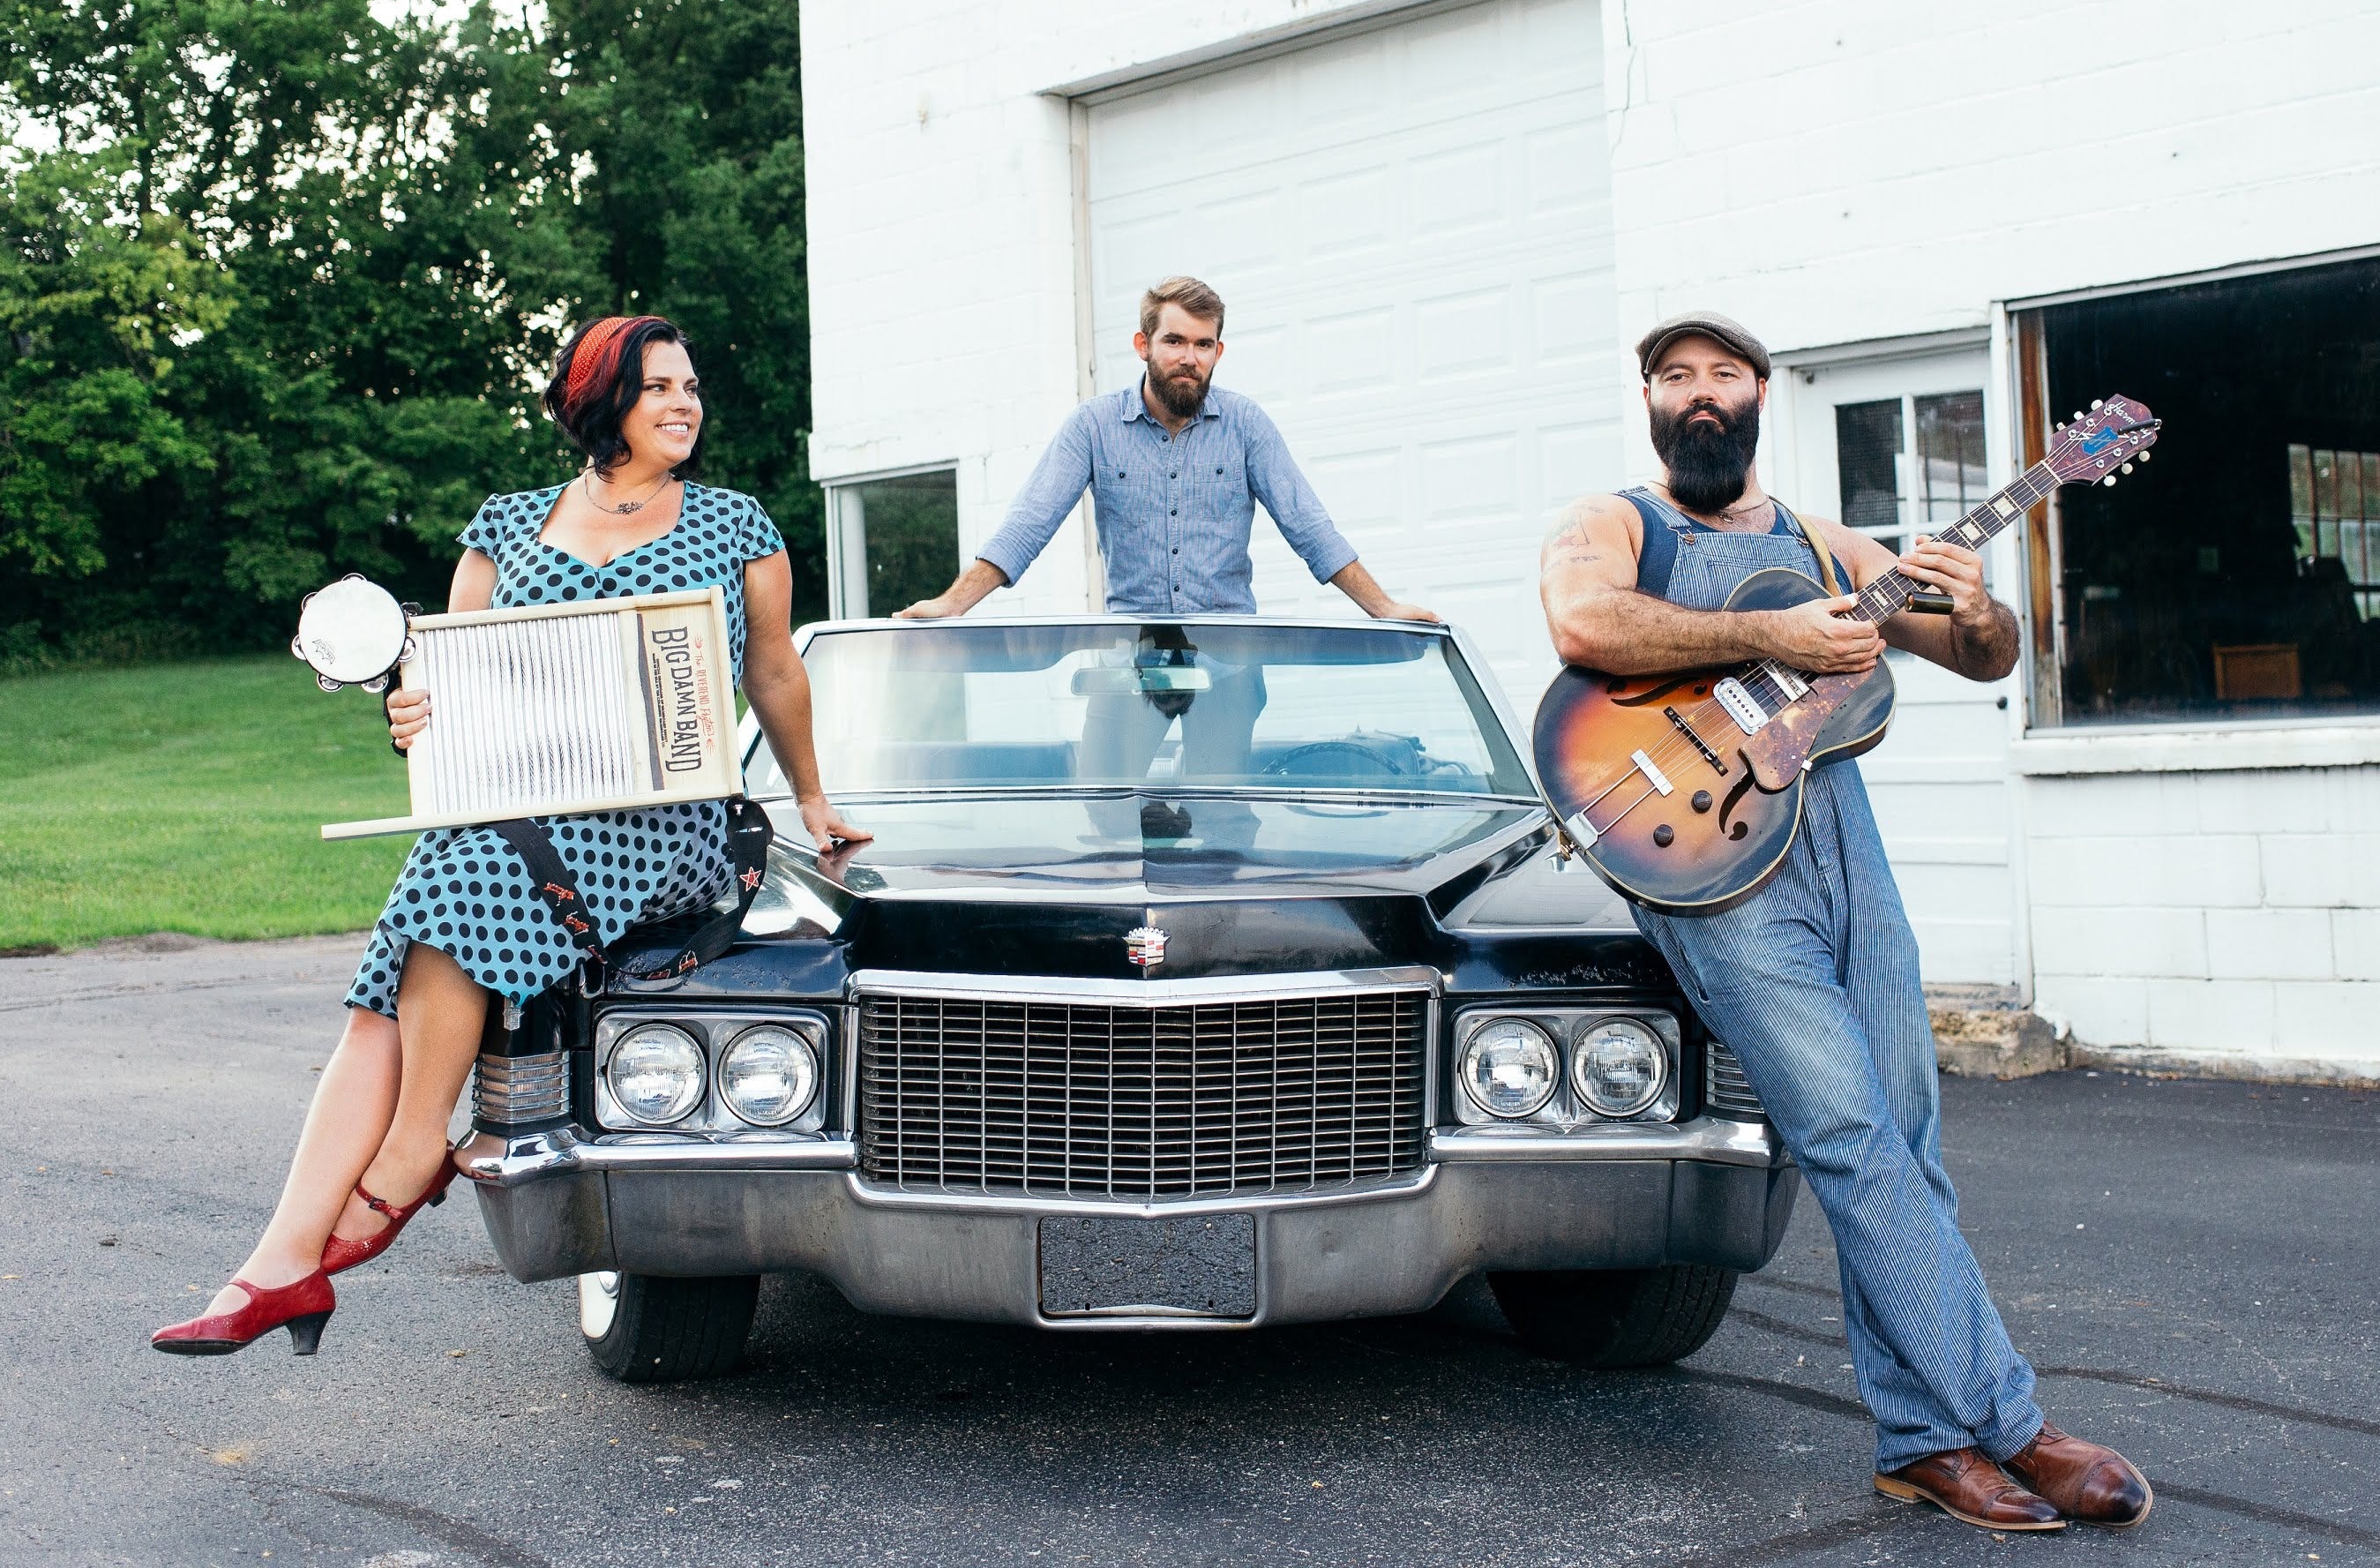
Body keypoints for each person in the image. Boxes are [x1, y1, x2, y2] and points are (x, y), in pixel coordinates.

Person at [1537, 312, 2152, 1534]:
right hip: (1711, 870)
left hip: (1841, 851)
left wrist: (1975, 606)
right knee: (1849, 1141)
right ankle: (2014, 1427)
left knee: (1906, 1147)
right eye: (1674, 379)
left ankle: (1921, 1443)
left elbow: (1980, 660)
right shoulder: (1614, 521)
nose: (1697, 395)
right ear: (1650, 403)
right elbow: (1582, 624)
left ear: (1758, 393)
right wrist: (1770, 633)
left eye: (1720, 375)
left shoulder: (1826, 543)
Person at [153, 315, 868, 1359]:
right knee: (387, 984)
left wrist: (810, 798)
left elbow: (772, 672)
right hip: (516, 811)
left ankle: (403, 1160)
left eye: (691, 386)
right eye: (660, 385)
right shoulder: (504, 525)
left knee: (458, 889)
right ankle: (278, 1264)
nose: (685, 403)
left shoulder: (733, 522)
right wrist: (406, 717)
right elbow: (446, 688)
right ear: (602, 398)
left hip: (660, 820)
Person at [897, 276, 1438, 801]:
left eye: (1204, 344)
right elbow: (1028, 524)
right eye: (1175, 340)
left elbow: (1309, 526)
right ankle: (1158, 822)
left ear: (1219, 351)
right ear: (1143, 345)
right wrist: (952, 605)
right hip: (1133, 661)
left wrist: (1382, 606)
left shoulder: (1246, 424)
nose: (1189, 357)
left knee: (1221, 820)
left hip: (1229, 663)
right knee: (1104, 807)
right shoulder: (1093, 426)